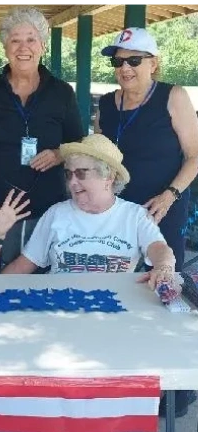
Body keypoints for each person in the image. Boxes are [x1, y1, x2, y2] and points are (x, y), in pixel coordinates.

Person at [0, 6, 84, 270]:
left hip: (46, 209)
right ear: (5, 47)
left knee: (38, 288)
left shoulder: (62, 93)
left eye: (31, 39)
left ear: (42, 46)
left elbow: (78, 145)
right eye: (15, 40)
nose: (22, 47)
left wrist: (60, 154)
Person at [2, 134, 177, 288]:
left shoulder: (136, 216)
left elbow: (159, 249)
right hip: (60, 308)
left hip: (115, 309)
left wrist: (164, 268)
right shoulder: (57, 214)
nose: (72, 182)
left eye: (81, 173)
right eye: (69, 174)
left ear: (108, 177)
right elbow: (23, 266)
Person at [94, 27, 198, 274]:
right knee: (113, 282)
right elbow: (97, 157)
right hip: (116, 211)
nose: (125, 68)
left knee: (163, 281)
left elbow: (195, 155)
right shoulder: (106, 104)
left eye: (134, 60)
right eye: (118, 61)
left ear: (153, 64)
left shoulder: (173, 96)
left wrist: (170, 195)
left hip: (162, 209)